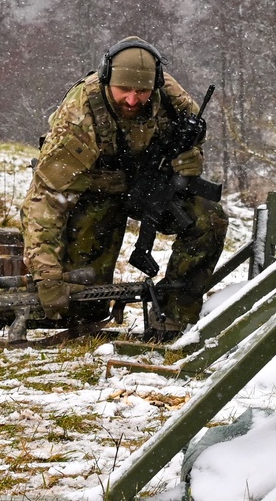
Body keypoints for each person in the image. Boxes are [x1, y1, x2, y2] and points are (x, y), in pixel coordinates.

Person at [21, 37, 228, 340]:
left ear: (155, 85)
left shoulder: (175, 101)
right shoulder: (79, 118)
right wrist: (47, 276)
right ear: (107, 80)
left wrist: (188, 162)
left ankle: (174, 318)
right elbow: (44, 201)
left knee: (209, 218)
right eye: (124, 90)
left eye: (142, 91)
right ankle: (80, 313)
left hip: (153, 187)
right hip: (94, 194)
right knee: (84, 303)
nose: (132, 100)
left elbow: (195, 141)